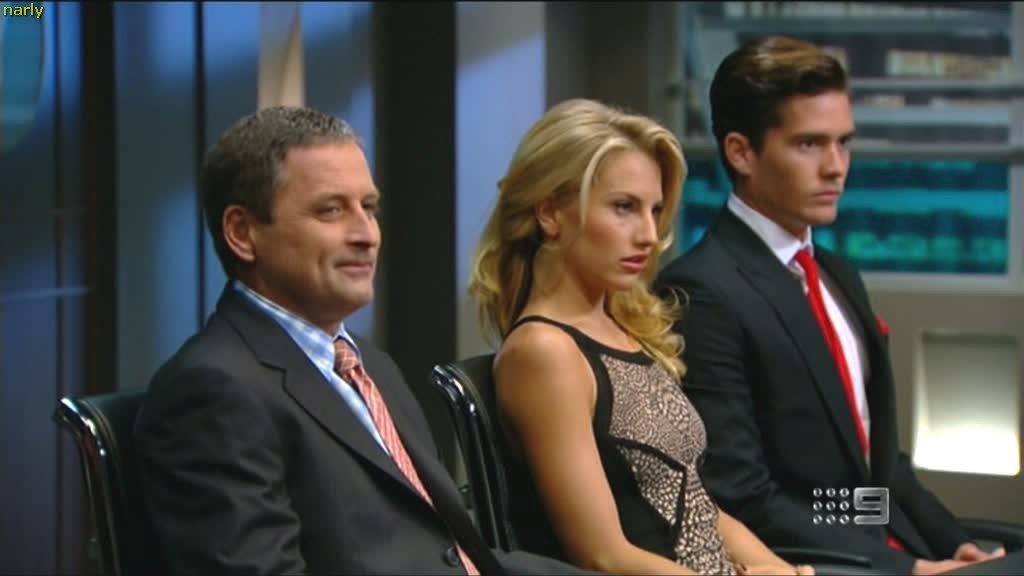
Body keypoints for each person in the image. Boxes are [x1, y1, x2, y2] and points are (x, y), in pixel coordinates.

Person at [133, 106, 591, 575]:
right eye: (331, 210)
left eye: (369, 208)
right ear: (242, 233)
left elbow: (459, 555)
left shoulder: (367, 363)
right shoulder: (211, 390)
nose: (366, 235)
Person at [654, 36, 1007, 575]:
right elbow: (743, 494)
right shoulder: (702, 290)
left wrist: (954, 547)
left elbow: (880, 472)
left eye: (843, 143)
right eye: (809, 144)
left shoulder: (838, 274)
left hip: (880, 544)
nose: (836, 167)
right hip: (809, 563)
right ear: (740, 152)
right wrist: (905, 569)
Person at [469, 98, 812, 576]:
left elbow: (699, 507)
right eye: (624, 207)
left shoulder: (624, 330)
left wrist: (784, 572)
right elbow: (602, 555)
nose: (650, 235)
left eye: (654, 210)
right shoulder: (544, 352)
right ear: (549, 213)